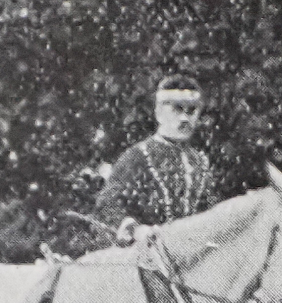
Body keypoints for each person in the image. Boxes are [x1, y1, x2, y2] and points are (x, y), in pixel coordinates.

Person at [93, 74, 219, 241]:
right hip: (147, 255)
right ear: (159, 113)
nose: (184, 118)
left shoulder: (200, 162)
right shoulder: (137, 156)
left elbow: (211, 214)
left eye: (191, 111)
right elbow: (106, 206)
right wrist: (135, 230)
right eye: (177, 109)